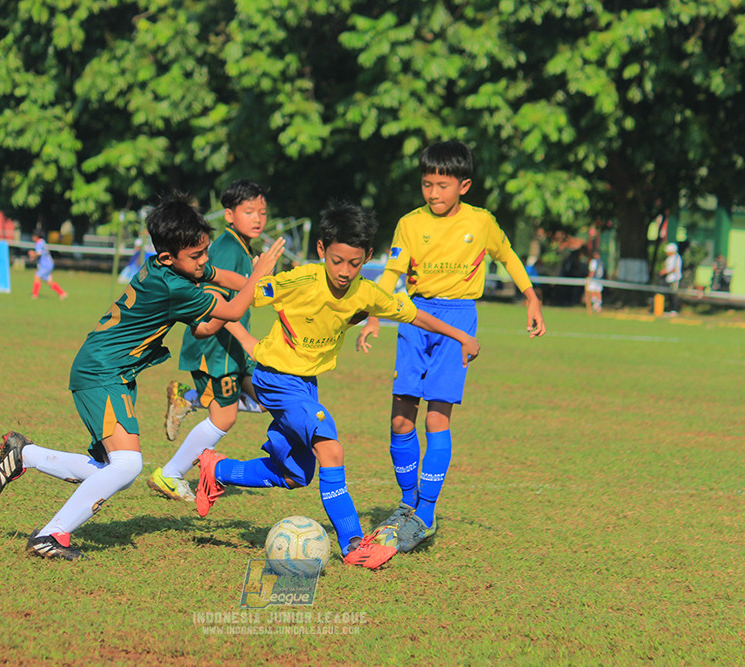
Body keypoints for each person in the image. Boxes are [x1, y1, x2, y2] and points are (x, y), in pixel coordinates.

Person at [0, 192, 285, 560]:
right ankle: (50, 535)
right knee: (128, 465)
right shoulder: (174, 285)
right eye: (197, 257)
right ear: (168, 256)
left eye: (205, 252)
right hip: (101, 372)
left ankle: (24, 454)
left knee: (107, 466)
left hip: (110, 370)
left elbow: (221, 285)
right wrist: (258, 276)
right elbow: (235, 308)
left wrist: (273, 288)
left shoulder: (174, 265)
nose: (204, 262)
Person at [192, 202, 481, 570]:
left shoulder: (366, 294)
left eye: (354, 263)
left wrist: (460, 336)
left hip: (305, 385)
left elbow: (412, 313)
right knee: (332, 451)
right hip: (277, 381)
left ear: (368, 258)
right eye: (337, 260)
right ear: (321, 251)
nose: (344, 271)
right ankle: (353, 544)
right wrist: (205, 272)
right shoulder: (301, 280)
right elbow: (249, 287)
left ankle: (215, 469)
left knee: (294, 474)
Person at [357, 139, 545, 553]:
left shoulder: (481, 223)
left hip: (458, 319)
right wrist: (374, 314)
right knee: (401, 421)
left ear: (464, 185)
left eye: (442, 185)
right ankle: (406, 505)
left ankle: (424, 512)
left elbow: (509, 256)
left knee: (436, 419)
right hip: (412, 316)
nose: (434, 193)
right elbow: (392, 272)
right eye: (427, 184)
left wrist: (531, 297)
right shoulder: (409, 223)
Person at [150, 179, 269, 503]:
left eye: (262, 211)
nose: (258, 218)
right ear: (229, 215)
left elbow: (245, 288)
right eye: (249, 211)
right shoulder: (228, 247)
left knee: (266, 398)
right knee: (225, 416)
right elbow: (212, 300)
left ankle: (188, 398)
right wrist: (238, 335)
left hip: (230, 348)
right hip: (214, 349)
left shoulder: (243, 247)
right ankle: (170, 475)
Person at [28, 229, 68, 300]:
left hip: (45, 265)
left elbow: (39, 253)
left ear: (36, 236)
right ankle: (62, 293)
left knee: (37, 276)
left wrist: (33, 254)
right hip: (49, 264)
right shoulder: (43, 241)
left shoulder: (39, 243)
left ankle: (34, 295)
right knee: (49, 282)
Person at [660, 243, 682, 315]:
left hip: (674, 279)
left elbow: (674, 268)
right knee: (669, 294)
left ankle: (674, 310)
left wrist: (665, 272)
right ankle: (670, 309)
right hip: (669, 278)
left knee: (674, 294)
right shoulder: (670, 258)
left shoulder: (676, 258)